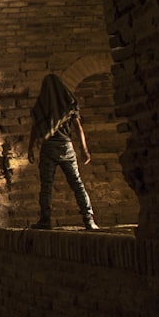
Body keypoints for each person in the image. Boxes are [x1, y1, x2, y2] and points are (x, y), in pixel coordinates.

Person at [27, 74, 99, 230]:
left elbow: (35, 127)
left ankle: (45, 220)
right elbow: (78, 128)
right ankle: (89, 219)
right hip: (66, 148)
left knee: (46, 185)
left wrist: (30, 148)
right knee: (77, 183)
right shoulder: (69, 105)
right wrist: (84, 150)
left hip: (48, 148)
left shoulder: (41, 106)